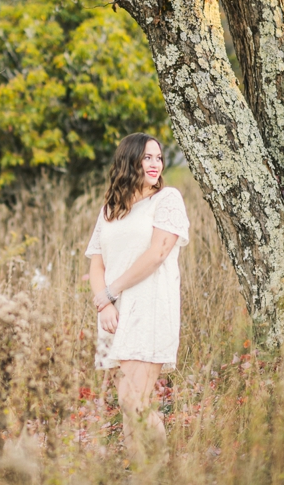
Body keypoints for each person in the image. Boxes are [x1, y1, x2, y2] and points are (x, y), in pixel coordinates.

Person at [84, 132, 190, 456]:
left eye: (158, 157)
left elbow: (158, 253)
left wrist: (111, 292)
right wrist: (104, 304)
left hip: (150, 307)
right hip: (114, 313)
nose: (155, 163)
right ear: (129, 161)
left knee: (135, 402)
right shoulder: (111, 209)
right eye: (147, 157)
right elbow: (96, 262)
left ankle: (165, 471)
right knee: (128, 405)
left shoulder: (167, 200)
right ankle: (140, 472)